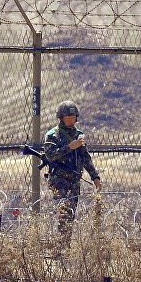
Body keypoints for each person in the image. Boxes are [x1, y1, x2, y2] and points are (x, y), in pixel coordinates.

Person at [44, 100, 101, 242]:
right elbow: (50, 155)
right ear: (61, 118)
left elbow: (85, 157)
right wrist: (70, 147)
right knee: (63, 211)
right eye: (68, 117)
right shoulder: (53, 135)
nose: (71, 120)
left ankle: (65, 246)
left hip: (74, 180)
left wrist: (95, 177)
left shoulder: (79, 135)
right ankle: (59, 246)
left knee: (71, 213)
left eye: (73, 117)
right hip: (59, 180)